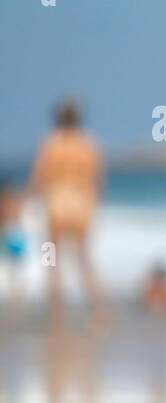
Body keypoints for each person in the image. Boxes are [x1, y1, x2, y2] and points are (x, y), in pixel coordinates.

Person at [28, 97, 105, 324]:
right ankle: (99, 310)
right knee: (84, 259)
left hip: (55, 208)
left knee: (51, 261)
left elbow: (38, 179)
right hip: (82, 207)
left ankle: (57, 314)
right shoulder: (89, 145)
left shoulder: (50, 145)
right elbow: (98, 181)